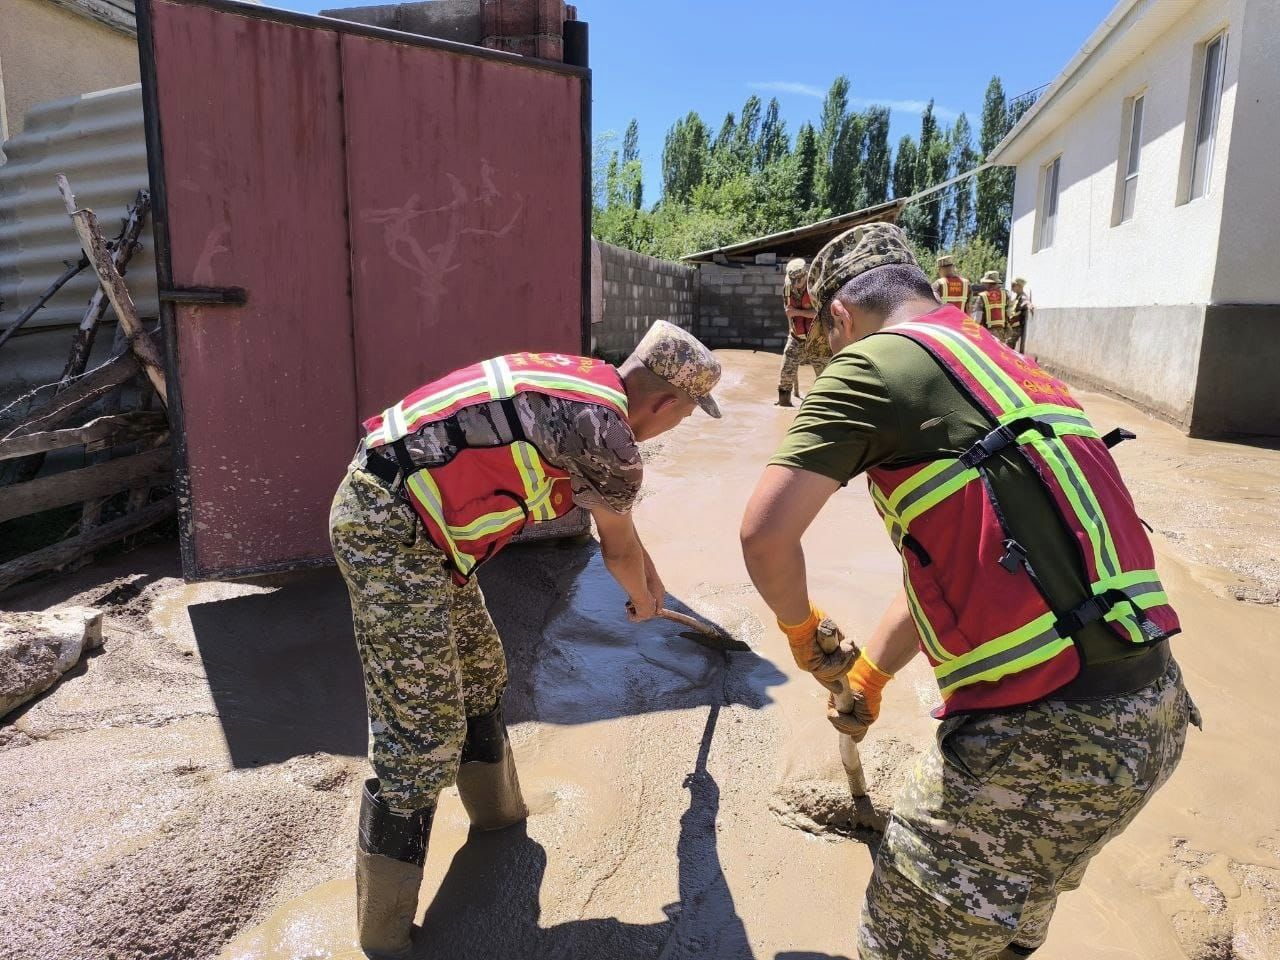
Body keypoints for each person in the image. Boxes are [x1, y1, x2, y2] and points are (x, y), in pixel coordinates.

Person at [739, 222, 1197, 959]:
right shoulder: (1016, 368)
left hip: (1041, 741)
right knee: (1002, 923)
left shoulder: (872, 366)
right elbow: (970, 565)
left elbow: (764, 537)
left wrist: (803, 632)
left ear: (838, 318)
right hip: (1150, 719)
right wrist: (869, 674)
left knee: (901, 946)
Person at [330, 320, 722, 957]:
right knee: (421, 734)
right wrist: (644, 598)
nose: (674, 427)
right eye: (683, 417)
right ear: (666, 404)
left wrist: (653, 590)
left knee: (482, 670)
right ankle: (383, 936)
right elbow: (619, 548)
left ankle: (498, 819)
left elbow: (620, 537)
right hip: (388, 530)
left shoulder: (589, 387)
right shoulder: (611, 437)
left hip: (424, 532)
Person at [777, 257, 829, 407]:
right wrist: (792, 313)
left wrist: (796, 312)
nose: (795, 285)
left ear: (805, 275)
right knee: (786, 373)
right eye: (792, 281)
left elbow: (819, 313)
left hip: (818, 338)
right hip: (796, 336)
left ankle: (824, 406)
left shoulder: (816, 288)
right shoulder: (788, 288)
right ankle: (784, 404)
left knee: (824, 376)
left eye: (798, 281)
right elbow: (789, 311)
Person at [974, 269, 1010, 342]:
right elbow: (1009, 313)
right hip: (1002, 332)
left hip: (987, 332)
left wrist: (974, 331)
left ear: (988, 283)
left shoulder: (982, 296)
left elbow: (977, 318)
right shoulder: (1005, 295)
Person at [1009, 276, 1033, 352]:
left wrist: (1030, 305)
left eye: (1013, 286)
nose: (1012, 288)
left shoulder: (1022, 297)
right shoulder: (1016, 297)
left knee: (1008, 345)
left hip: (1017, 327)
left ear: (1019, 286)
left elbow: (1026, 301)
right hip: (1012, 326)